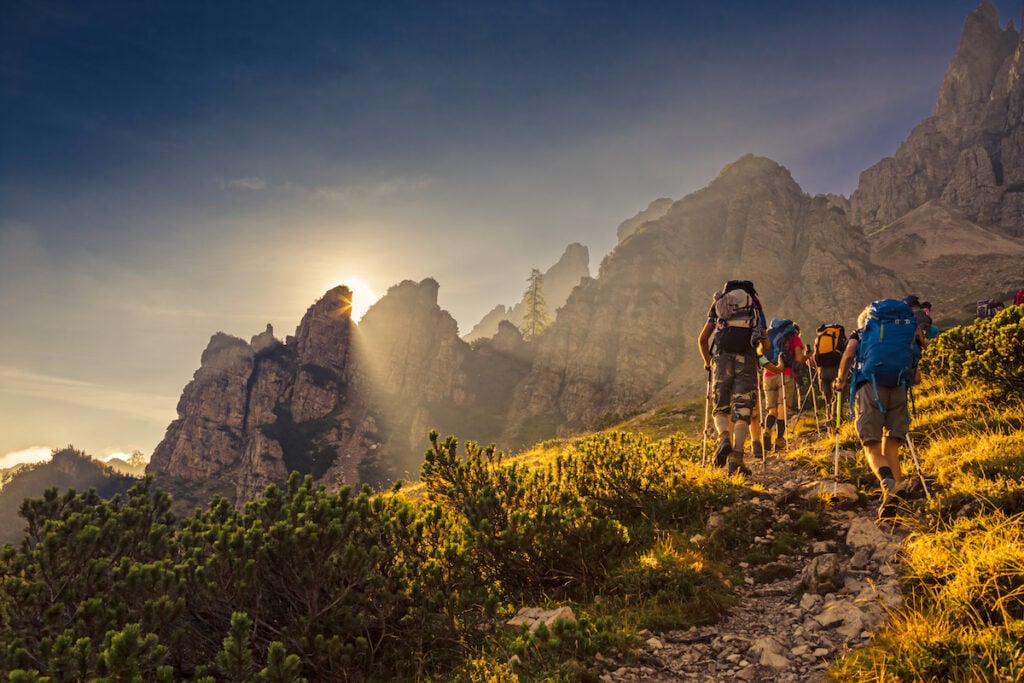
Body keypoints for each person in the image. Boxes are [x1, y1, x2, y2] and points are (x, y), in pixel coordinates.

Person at [834, 303, 920, 518]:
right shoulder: (903, 334)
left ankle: (887, 484)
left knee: (871, 445)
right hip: (899, 388)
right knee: (891, 446)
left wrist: (840, 380)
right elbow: (917, 378)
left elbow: (848, 355)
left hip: (869, 387)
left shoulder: (862, 332)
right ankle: (894, 501)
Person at [698, 280, 767, 476]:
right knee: (743, 409)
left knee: (721, 405)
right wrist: (759, 353)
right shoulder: (754, 305)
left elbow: (703, 339)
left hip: (720, 358)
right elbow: (765, 342)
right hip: (746, 359)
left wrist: (707, 361)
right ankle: (737, 458)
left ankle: (723, 438)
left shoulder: (720, 303)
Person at [761, 321, 806, 453]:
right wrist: (806, 356)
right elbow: (798, 358)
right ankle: (780, 440)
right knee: (782, 410)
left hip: (768, 373)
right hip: (785, 374)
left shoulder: (770, 335)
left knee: (772, 411)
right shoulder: (794, 338)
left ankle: (767, 430)